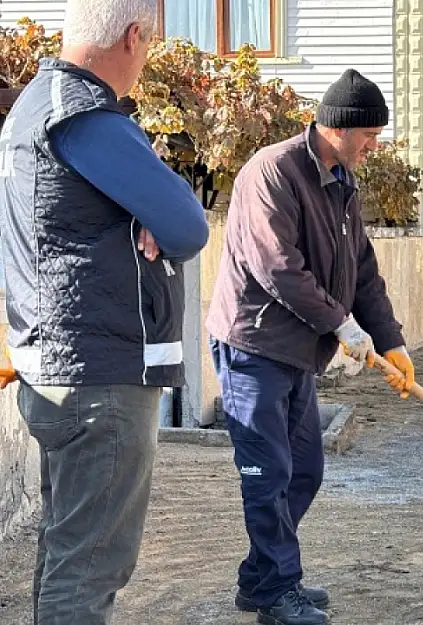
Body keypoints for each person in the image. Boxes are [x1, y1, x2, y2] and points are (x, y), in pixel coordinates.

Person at [0, 0, 210, 621]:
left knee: (66, 551)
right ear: (132, 35)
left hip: (55, 362)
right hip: (101, 374)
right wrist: (151, 215)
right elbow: (188, 223)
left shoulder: (31, 109)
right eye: (149, 45)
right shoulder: (87, 115)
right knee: (91, 567)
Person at [206, 68, 415, 625]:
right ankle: (278, 592)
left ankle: (260, 578)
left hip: (298, 352)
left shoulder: (343, 183)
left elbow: (363, 272)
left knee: (304, 471)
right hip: (254, 345)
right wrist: (342, 326)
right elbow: (278, 268)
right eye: (369, 135)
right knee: (269, 472)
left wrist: (391, 342)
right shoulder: (272, 172)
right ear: (339, 127)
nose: (374, 146)